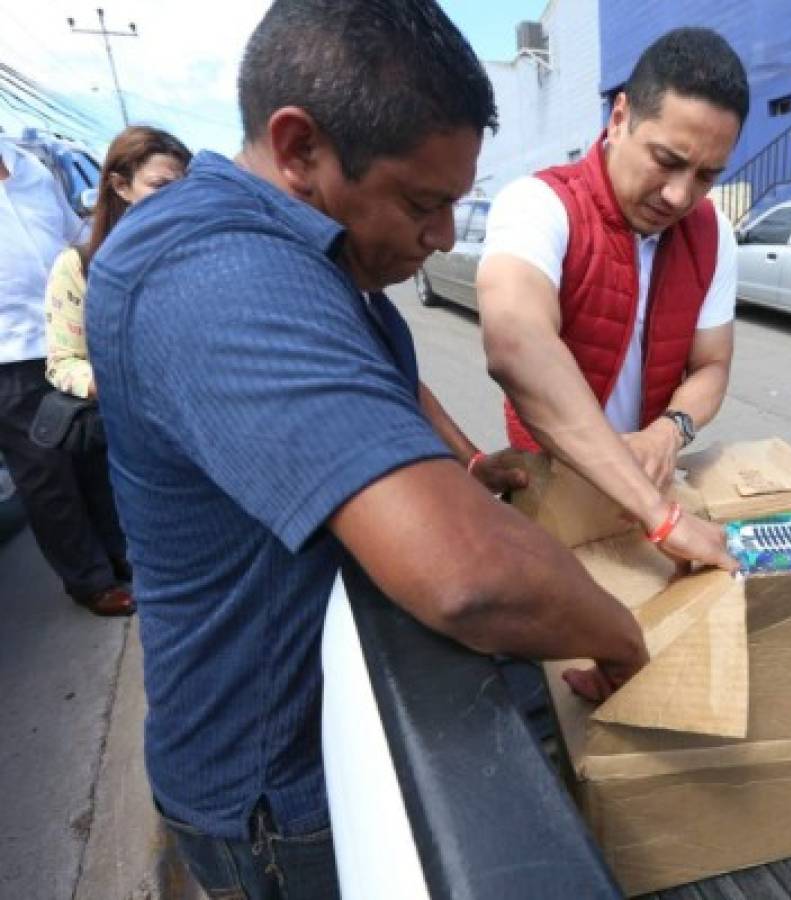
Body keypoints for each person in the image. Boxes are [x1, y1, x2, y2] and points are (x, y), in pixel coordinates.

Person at [85, 1, 650, 897]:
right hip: (281, 795)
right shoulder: (216, 276)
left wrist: (462, 460)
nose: (443, 237)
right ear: (300, 148)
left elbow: (361, 375)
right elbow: (468, 576)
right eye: (422, 203)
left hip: (336, 721)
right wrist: (626, 640)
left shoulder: (312, 256)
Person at [477, 28, 748, 573]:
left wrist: (669, 432)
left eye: (706, 175)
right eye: (666, 160)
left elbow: (712, 366)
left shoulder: (712, 233)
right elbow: (516, 344)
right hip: (557, 498)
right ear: (620, 116)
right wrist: (659, 515)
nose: (679, 195)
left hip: (651, 491)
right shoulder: (538, 205)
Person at [36, 126, 191, 618]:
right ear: (120, 186)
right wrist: (117, 385)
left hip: (195, 444)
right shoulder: (78, 266)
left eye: (183, 189)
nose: (174, 202)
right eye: (159, 187)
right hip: (132, 448)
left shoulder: (197, 259)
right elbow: (63, 363)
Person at [0, 137, 132, 615]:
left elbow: (74, 234)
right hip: (10, 355)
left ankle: (121, 555)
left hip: (73, 333)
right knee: (46, 474)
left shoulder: (32, 169)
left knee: (92, 452)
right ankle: (90, 580)